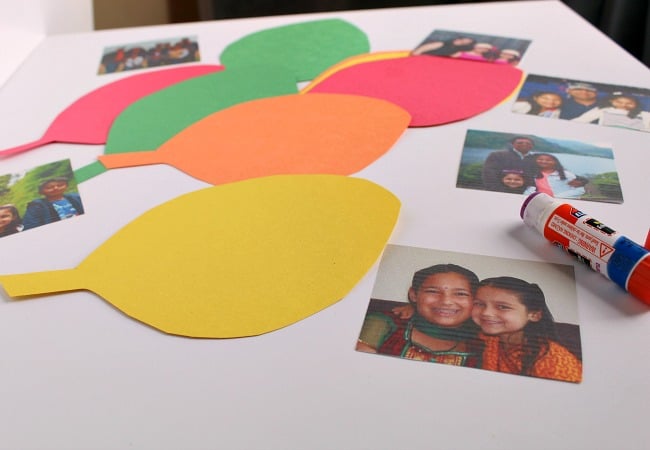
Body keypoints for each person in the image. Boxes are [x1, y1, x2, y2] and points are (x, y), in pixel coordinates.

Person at [356, 264, 482, 367]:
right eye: (432, 291)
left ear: (475, 299)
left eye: (460, 294)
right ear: (414, 295)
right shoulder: (384, 322)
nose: (446, 301)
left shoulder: (484, 342)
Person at [472, 277, 582, 382]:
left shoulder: (554, 360)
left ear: (534, 315)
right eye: (479, 304)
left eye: (502, 307)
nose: (486, 313)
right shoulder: (486, 340)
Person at [572, 92, 650, 131]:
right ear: (611, 101)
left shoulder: (644, 115)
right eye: (619, 102)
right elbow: (582, 120)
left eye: (629, 103)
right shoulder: (603, 110)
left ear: (636, 104)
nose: (623, 105)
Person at [411, 36, 476, 57]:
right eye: (462, 40)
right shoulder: (441, 43)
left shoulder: (456, 51)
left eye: (468, 42)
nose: (465, 41)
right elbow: (419, 50)